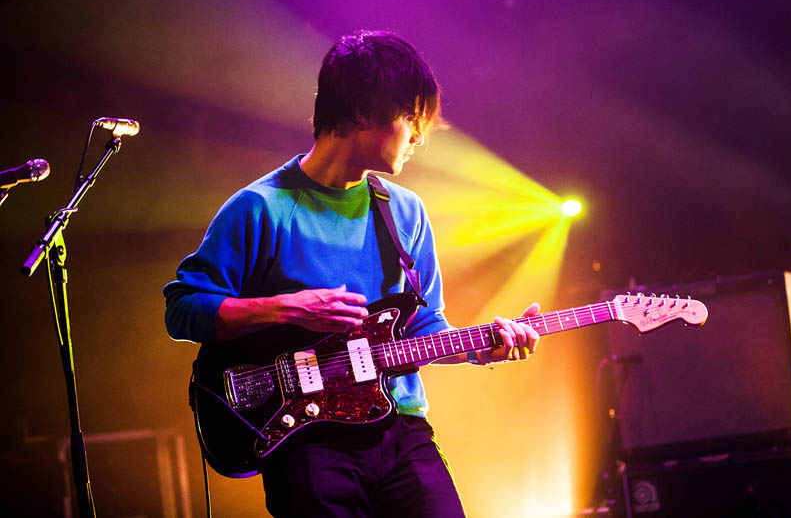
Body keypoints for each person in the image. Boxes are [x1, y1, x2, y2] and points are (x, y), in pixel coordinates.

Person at [164, 30, 540, 518]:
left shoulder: (405, 212)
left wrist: (480, 347)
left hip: (399, 427)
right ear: (363, 113)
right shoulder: (260, 208)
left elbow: (425, 330)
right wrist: (287, 307)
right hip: (307, 441)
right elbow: (182, 309)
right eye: (410, 118)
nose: (419, 137)